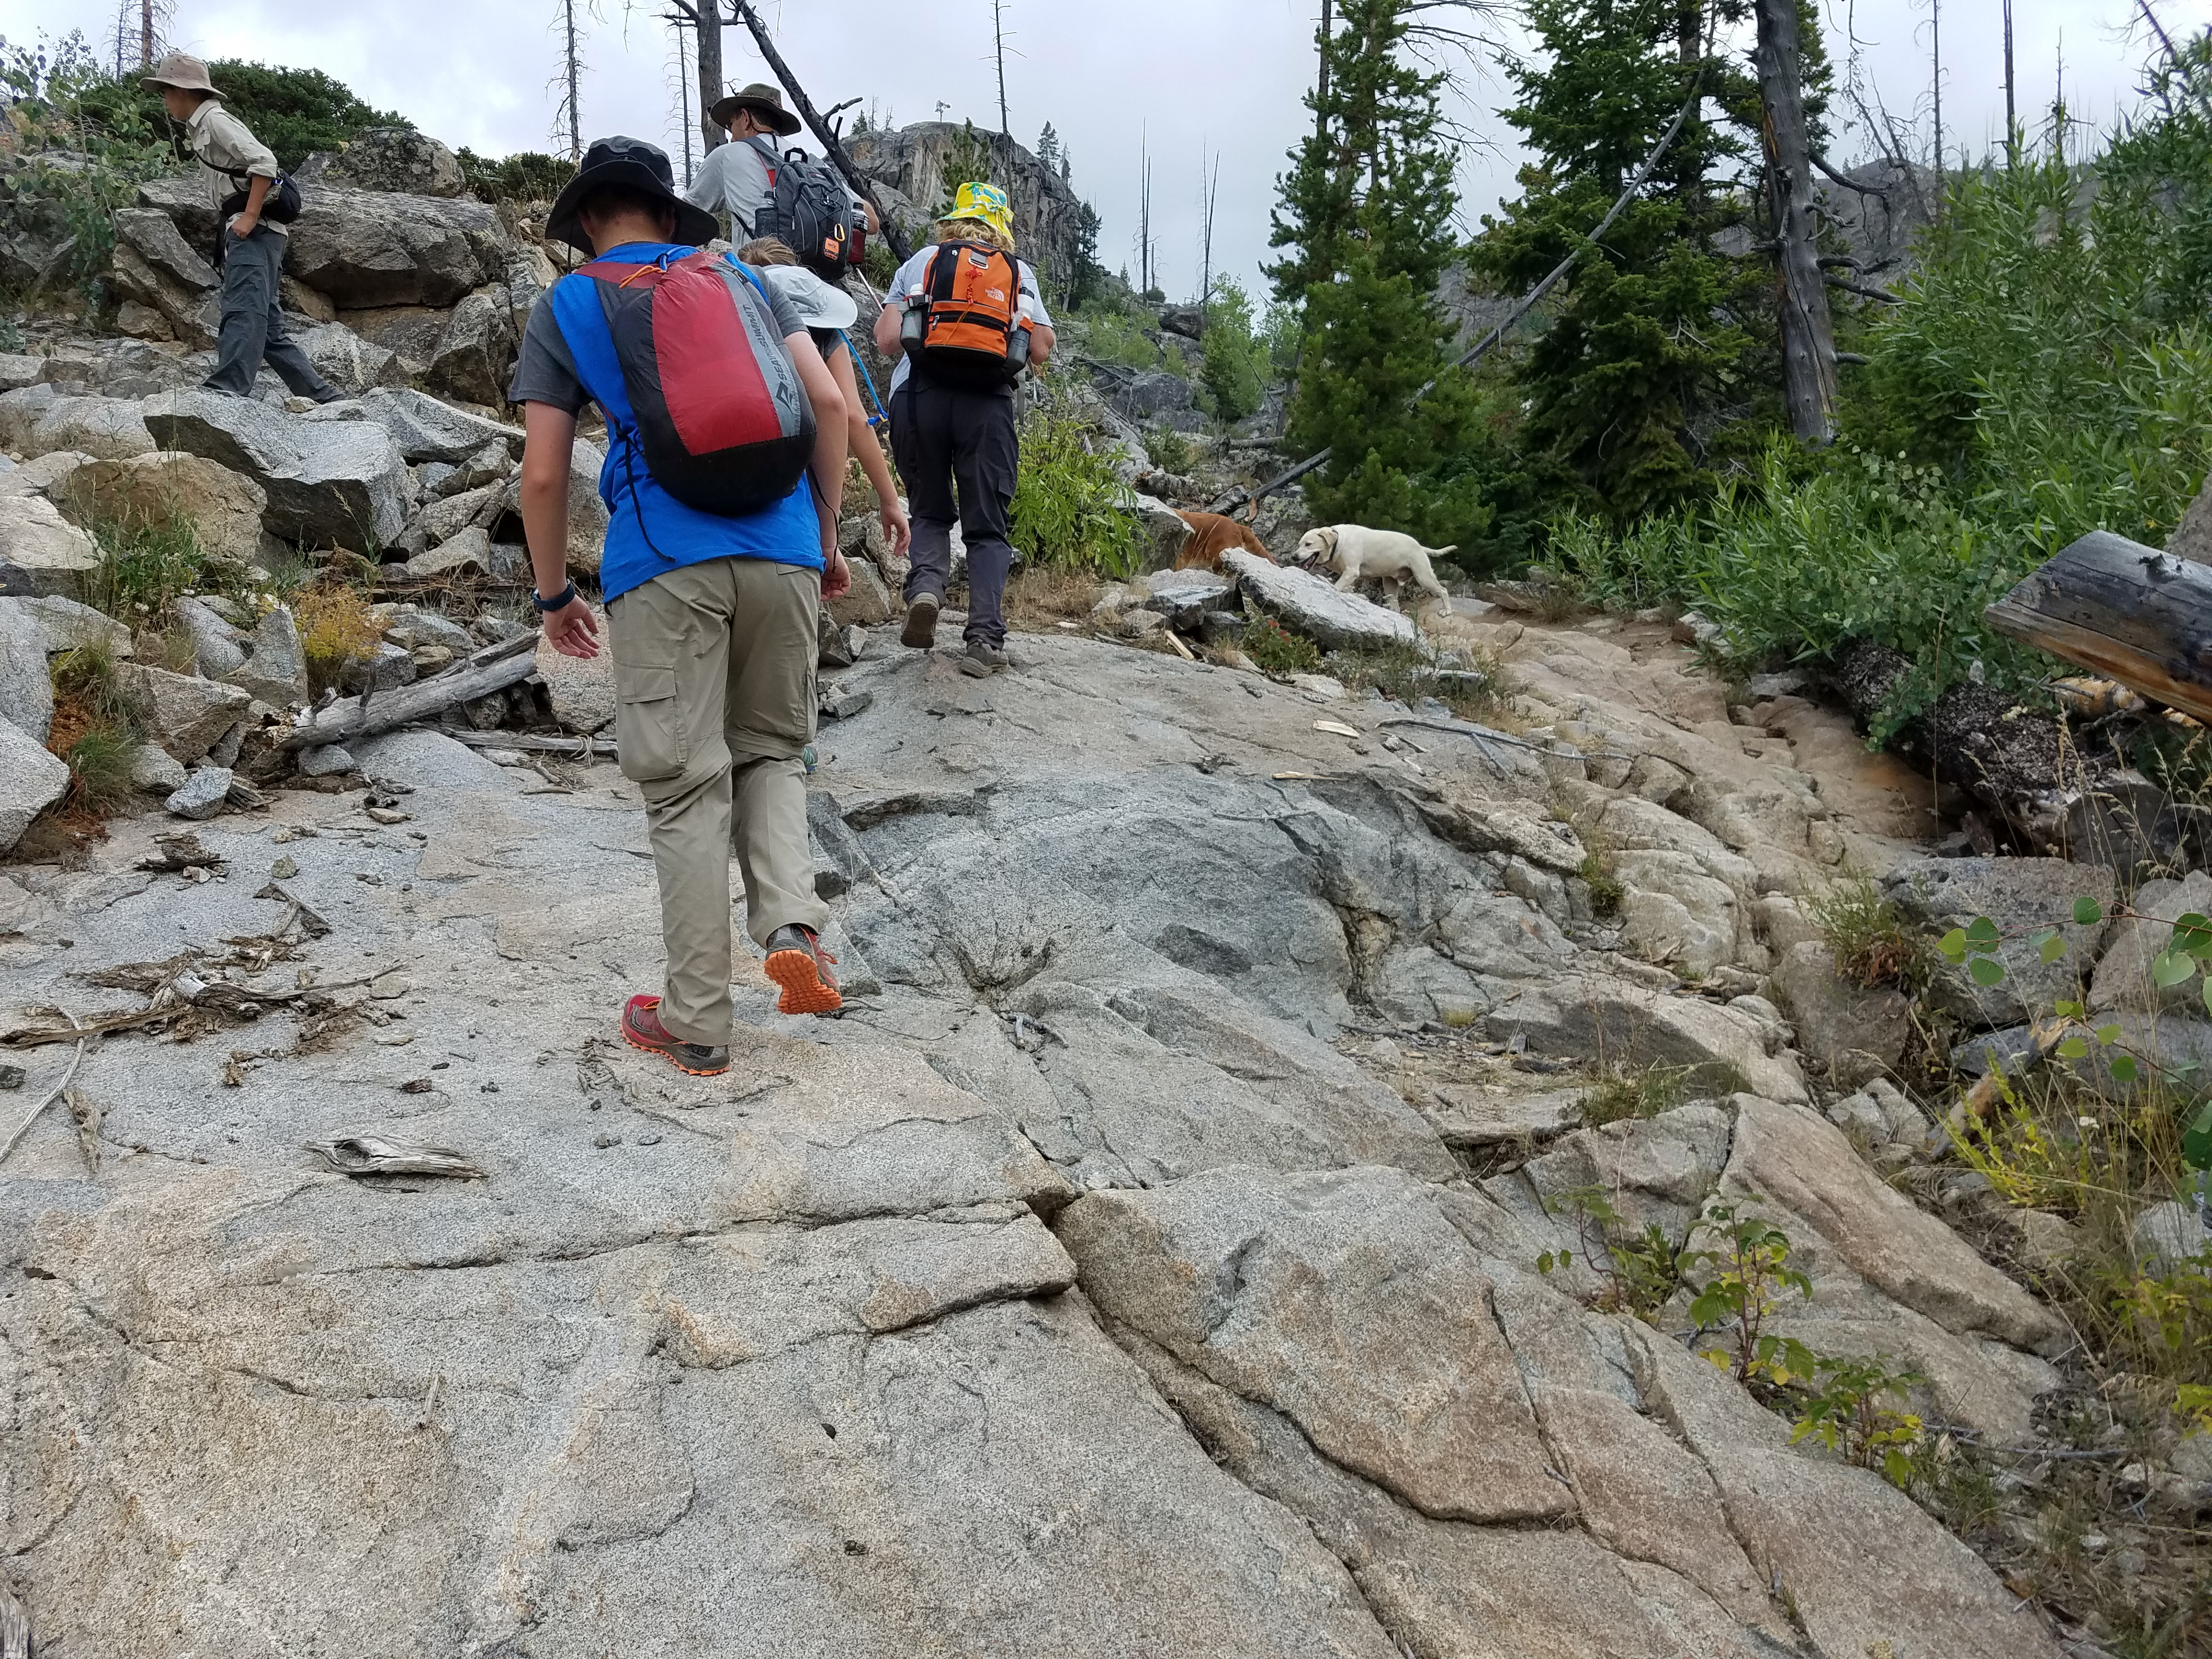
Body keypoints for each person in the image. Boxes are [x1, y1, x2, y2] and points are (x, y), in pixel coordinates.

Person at [509, 136, 853, 1076]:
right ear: (669, 214)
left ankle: (697, 1017)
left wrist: (553, 594)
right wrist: (822, 541)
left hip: (664, 564)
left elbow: (542, 473)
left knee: (686, 784)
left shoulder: (570, 301)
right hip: (783, 549)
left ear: (586, 221)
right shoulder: (739, 276)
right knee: (775, 749)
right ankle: (791, 919)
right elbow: (825, 403)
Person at [871, 182, 1056, 676]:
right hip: (987, 405)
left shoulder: (922, 261)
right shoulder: (1019, 272)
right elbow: (1038, 350)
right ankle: (983, 639)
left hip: (918, 397)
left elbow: (888, 340)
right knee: (987, 525)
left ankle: (927, 589)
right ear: (1001, 227)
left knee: (929, 510)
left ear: (956, 217)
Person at [140, 53, 342, 404]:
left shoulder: (215, 121)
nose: (165, 99)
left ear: (182, 91)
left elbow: (264, 162)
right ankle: (323, 396)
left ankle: (227, 391)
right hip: (262, 232)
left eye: (166, 91)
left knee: (243, 309)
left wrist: (248, 217)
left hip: (255, 229)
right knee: (269, 329)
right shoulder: (203, 125)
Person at [738, 237, 911, 569]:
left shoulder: (740, 314)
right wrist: (890, 501)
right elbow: (853, 417)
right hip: (803, 494)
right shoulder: (827, 334)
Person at [685, 82, 872, 246]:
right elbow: (871, 222)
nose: (731, 136)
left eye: (731, 124)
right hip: (821, 281)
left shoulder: (727, 156)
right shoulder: (812, 162)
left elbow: (681, 217)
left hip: (762, 280)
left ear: (746, 118)